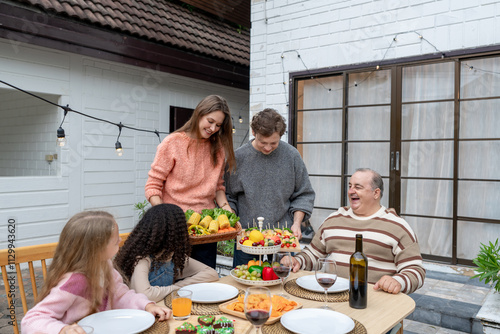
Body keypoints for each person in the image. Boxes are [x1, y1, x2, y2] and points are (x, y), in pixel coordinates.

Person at [21, 211, 171, 334]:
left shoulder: (104, 265)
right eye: (115, 239)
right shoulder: (75, 281)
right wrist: (62, 330)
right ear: (97, 249)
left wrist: (147, 306)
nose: (120, 239)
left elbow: (121, 295)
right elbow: (32, 320)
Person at [291, 168, 426, 295]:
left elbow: (416, 271)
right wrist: (297, 261)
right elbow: (313, 254)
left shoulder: (398, 226)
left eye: (358, 187)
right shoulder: (333, 219)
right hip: (331, 297)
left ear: (376, 193)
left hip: (376, 304)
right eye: (350, 186)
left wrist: (398, 281)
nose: (351, 191)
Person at [144, 95, 236, 269]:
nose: (213, 128)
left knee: (204, 283)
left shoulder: (218, 149)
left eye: (218, 125)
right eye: (210, 121)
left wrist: (228, 214)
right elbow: (153, 186)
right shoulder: (172, 143)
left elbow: (218, 187)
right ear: (199, 114)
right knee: (173, 283)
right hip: (174, 229)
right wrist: (166, 218)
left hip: (207, 232)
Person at [225, 108, 315, 267]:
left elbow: (304, 194)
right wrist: (232, 221)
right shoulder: (238, 158)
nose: (267, 148)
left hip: (283, 239)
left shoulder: (291, 156)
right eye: (263, 142)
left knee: (282, 285)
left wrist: (296, 223)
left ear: (281, 135)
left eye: (273, 143)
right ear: (253, 132)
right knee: (246, 286)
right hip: (247, 239)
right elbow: (228, 196)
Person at [114, 204, 219, 302]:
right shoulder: (143, 259)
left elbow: (211, 273)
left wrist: (178, 286)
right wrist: (176, 288)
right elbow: (146, 295)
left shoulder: (172, 256)